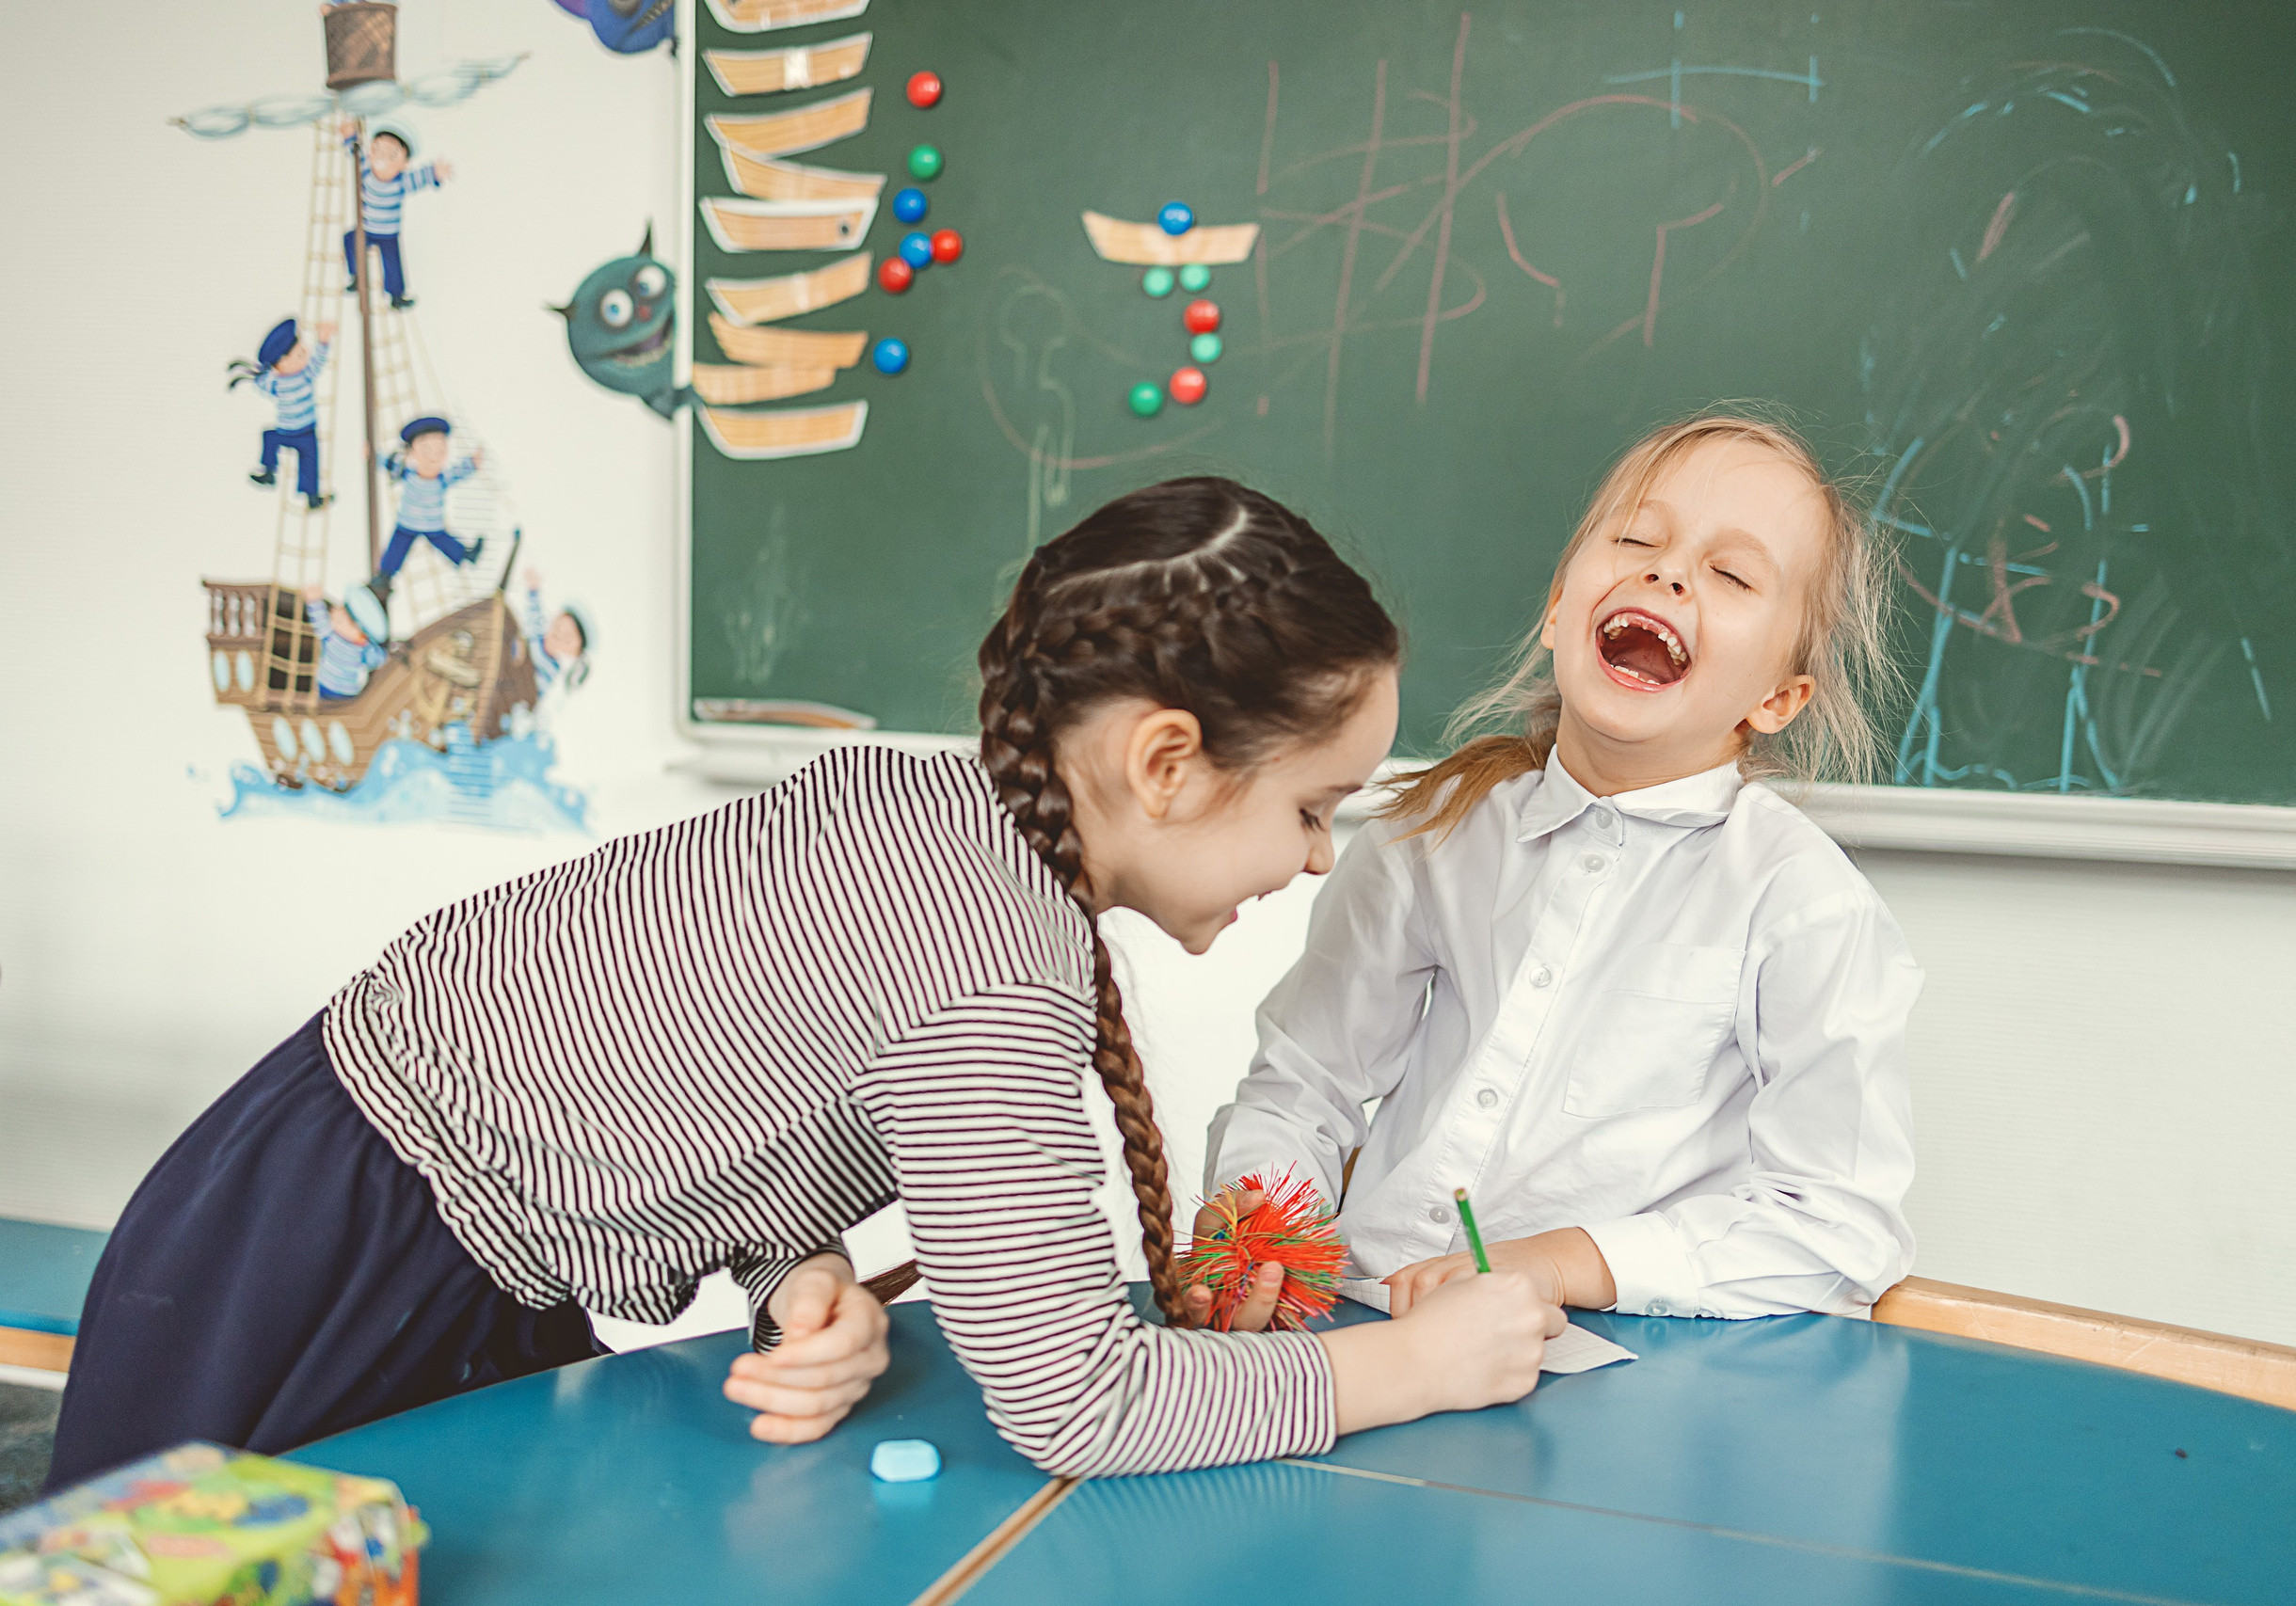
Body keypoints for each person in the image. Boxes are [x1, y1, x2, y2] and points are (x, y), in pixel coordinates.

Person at [47, 477, 1563, 1492]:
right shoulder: (988, 967)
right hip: (329, 1259)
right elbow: (1076, 1401)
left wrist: (791, 1267)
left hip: (320, 1189)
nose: (1313, 860)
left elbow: (689, 1055)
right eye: (1314, 806)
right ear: (1167, 762)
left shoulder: (923, 808)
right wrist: (1408, 1364)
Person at [1199, 412, 1922, 1332]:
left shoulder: (1805, 907)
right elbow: (1306, 1083)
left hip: (1618, 1363)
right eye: (1636, 540)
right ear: (1555, 608)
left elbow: (1836, 1227)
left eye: (1731, 573)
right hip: (1363, 1326)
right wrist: (1262, 1215)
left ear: (1777, 698)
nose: (1665, 572)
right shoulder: (1430, 835)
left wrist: (1559, 1264)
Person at [340, 118, 452, 310]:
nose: (382, 158)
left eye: (391, 155)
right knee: (350, 240)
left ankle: (396, 295)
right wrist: (349, 136)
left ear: (404, 163)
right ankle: (357, 276)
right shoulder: (366, 170)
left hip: (388, 233)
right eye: (377, 151)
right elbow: (355, 152)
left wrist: (435, 173)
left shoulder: (402, 182)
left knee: (393, 264)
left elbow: (422, 177)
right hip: (366, 228)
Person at [371, 416, 484, 600]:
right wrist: (372, 455)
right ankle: (385, 576)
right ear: (412, 453)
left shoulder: (443, 479)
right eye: (427, 450)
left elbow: (460, 472)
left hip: (433, 525)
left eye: (441, 449)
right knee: (395, 550)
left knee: (446, 542)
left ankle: (465, 554)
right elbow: (386, 463)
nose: (434, 456)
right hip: (408, 522)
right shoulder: (407, 474)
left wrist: (473, 463)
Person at [230, 318, 336, 510]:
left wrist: (324, 341)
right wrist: (268, 372)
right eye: (300, 354)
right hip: (286, 431)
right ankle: (269, 472)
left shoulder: (306, 375)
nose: (306, 356)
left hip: (306, 431)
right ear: (282, 362)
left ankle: (312, 496)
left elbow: (318, 363)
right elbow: (261, 385)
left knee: (310, 461)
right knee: (269, 436)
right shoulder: (277, 383)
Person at [301, 582, 389, 700]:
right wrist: (314, 600)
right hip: (324, 684)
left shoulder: (363, 649)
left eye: (340, 620)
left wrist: (386, 654)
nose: (334, 620)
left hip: (347, 692)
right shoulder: (330, 634)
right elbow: (319, 619)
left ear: (359, 634)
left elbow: (377, 659)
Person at [521, 568, 590, 694]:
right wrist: (533, 589)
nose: (558, 635)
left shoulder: (549, 670)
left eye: (567, 638)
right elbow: (533, 612)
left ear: (574, 653)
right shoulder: (536, 634)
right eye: (558, 626)